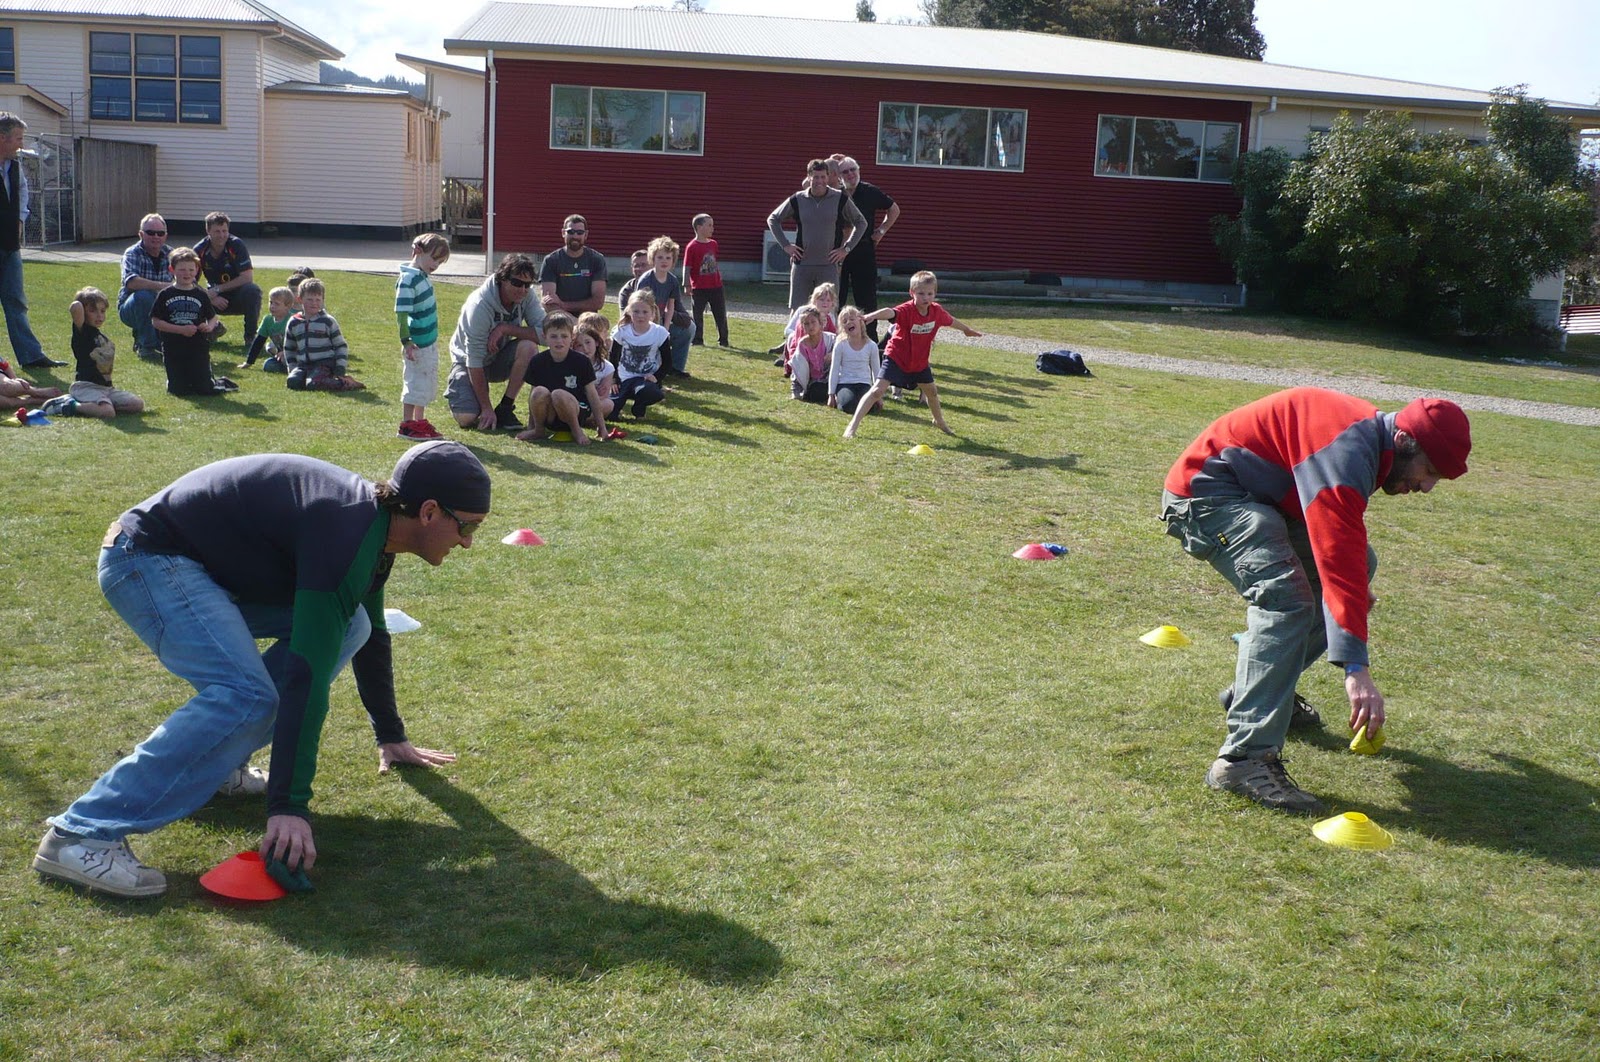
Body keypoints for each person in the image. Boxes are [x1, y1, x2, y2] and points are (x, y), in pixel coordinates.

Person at [32, 441, 488, 898]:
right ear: (429, 512)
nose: (467, 542)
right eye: (466, 526)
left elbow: (372, 641)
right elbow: (304, 676)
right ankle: (81, 833)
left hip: (196, 569)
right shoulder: (346, 536)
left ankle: (216, 766)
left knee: (355, 626)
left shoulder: (374, 533)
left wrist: (390, 734)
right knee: (246, 693)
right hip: (146, 560)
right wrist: (288, 807)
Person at [1160, 387, 1473, 815]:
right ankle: (1244, 760)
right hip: (1206, 499)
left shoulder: (1366, 444)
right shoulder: (1346, 450)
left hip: (1261, 503)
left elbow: (1344, 554)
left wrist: (1349, 592)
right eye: (1430, 470)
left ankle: (1254, 695)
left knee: (1358, 569)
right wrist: (1356, 671)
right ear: (1404, 441)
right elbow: (1335, 549)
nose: (1427, 486)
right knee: (1286, 599)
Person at [844, 271, 979, 439]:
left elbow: (951, 320)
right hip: (896, 358)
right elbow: (890, 312)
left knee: (932, 392)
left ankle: (939, 421)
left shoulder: (937, 311)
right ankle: (852, 426)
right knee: (877, 391)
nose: (926, 297)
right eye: (921, 293)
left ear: (935, 294)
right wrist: (871, 316)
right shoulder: (907, 310)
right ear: (912, 293)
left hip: (919, 363)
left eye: (930, 294)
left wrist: (967, 330)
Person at [445, 253, 544, 431]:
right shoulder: (480, 305)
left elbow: (546, 335)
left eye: (527, 284)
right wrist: (486, 408)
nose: (522, 289)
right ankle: (463, 389)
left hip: (498, 357)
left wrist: (505, 328)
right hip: (467, 363)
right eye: (516, 283)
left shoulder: (526, 297)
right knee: (467, 419)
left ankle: (505, 408)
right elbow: (474, 361)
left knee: (529, 347)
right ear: (502, 279)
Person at [766, 158, 867, 312]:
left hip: (828, 265)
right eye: (815, 177)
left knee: (828, 310)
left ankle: (828, 338)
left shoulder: (840, 198)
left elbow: (861, 222)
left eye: (822, 177)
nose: (819, 181)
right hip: (802, 264)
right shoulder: (798, 199)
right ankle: (794, 337)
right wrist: (786, 245)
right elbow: (773, 219)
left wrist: (846, 249)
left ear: (828, 177)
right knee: (798, 310)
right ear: (809, 177)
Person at [0, 112, 60, 369]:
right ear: (2, 138)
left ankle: (31, 356)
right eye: (18, 138)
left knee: (16, 299)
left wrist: (21, 218)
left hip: (9, 244)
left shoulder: (14, 166)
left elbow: (22, 191)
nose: (22, 145)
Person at [514, 312, 610, 445]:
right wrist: (531, 426)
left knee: (558, 394)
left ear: (572, 337)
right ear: (545, 337)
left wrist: (602, 427)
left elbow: (592, 395)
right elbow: (534, 395)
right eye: (553, 336)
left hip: (575, 410)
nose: (559, 341)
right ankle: (538, 430)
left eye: (564, 336)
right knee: (539, 391)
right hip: (550, 415)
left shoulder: (581, 361)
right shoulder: (538, 361)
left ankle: (577, 431)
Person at [834, 156, 899, 343]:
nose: (850, 174)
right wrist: (832, 159)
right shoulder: (835, 192)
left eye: (852, 169)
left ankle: (871, 342)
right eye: (844, 171)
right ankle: (837, 340)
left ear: (859, 170)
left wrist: (881, 231)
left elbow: (894, 209)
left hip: (863, 251)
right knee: (837, 298)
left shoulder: (869, 191)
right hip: (839, 252)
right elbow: (807, 181)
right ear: (838, 176)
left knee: (867, 299)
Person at [151, 247, 231, 397]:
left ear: (196, 270)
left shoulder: (201, 294)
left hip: (197, 346)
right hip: (173, 347)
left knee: (204, 390)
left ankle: (217, 381)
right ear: (171, 270)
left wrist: (209, 326)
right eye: (181, 270)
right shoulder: (165, 294)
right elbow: (156, 321)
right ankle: (174, 380)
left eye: (190, 269)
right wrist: (180, 330)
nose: (186, 273)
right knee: (179, 391)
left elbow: (213, 317)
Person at [395, 232, 452, 440]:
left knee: (426, 383)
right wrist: (407, 342)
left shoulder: (422, 276)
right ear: (418, 252)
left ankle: (419, 421)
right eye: (433, 259)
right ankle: (407, 425)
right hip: (416, 345)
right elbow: (401, 315)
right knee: (414, 383)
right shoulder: (408, 280)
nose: (436, 265)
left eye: (440, 262)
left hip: (428, 342)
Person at [68, 287, 144, 419]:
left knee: (137, 404)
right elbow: (76, 306)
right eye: (92, 311)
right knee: (108, 413)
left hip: (106, 389)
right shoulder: (82, 332)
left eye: (102, 311)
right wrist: (85, 298)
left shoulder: (100, 335)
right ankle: (69, 405)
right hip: (86, 387)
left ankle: (100, 405)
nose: (99, 315)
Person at [194, 211, 262, 350]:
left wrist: (218, 289)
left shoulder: (236, 245)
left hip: (238, 296)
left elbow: (247, 277)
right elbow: (189, 282)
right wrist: (210, 298)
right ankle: (213, 329)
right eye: (217, 231)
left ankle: (250, 337)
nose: (221, 235)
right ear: (208, 231)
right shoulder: (199, 250)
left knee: (253, 290)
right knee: (192, 297)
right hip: (213, 297)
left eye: (224, 231)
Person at [284, 278, 363, 392]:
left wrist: (340, 367)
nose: (314, 303)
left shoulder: (327, 321)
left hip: (324, 364)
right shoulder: (294, 322)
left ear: (323, 300)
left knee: (313, 384)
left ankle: (345, 382)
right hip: (303, 364)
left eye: (318, 299)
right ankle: (307, 377)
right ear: (300, 299)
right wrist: (291, 368)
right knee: (293, 382)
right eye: (310, 299)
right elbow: (289, 347)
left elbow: (340, 345)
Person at [119, 213, 173, 362]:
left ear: (165, 236)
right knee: (144, 296)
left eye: (160, 233)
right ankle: (147, 348)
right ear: (141, 234)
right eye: (150, 232)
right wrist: (165, 286)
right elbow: (131, 282)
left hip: (162, 307)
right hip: (132, 308)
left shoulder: (172, 254)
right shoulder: (132, 253)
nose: (156, 236)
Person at [636, 235, 693, 377]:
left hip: (661, 320)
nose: (664, 261)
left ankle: (675, 368)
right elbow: (639, 307)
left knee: (690, 328)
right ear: (652, 259)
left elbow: (671, 305)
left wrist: (666, 329)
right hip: (645, 320)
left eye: (668, 258)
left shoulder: (672, 281)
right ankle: (650, 369)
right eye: (660, 257)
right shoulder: (646, 280)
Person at [613, 290, 668, 419]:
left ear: (652, 313)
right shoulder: (621, 331)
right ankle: (618, 405)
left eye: (645, 312)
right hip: (623, 378)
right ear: (629, 312)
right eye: (636, 312)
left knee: (654, 393)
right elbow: (613, 358)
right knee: (610, 414)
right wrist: (614, 379)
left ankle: (639, 407)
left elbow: (668, 361)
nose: (640, 316)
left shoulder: (660, 332)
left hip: (644, 379)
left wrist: (656, 377)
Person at [539, 214, 606, 316]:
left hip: (587, 320)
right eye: (570, 232)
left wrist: (564, 305)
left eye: (580, 232)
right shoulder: (551, 261)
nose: (575, 236)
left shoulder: (597, 260)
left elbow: (598, 302)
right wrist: (573, 322)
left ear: (586, 235)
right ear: (563, 233)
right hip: (559, 321)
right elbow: (549, 303)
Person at [684, 213, 730, 348]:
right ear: (699, 227)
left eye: (712, 225)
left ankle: (723, 339)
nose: (712, 228)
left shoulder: (714, 244)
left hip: (716, 286)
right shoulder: (692, 246)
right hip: (699, 287)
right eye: (709, 225)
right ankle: (698, 339)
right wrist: (687, 284)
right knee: (697, 314)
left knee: (720, 313)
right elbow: (687, 267)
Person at [828, 305, 879, 416]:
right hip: (845, 383)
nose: (849, 322)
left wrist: (878, 395)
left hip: (864, 383)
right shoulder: (840, 345)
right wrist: (831, 394)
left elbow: (876, 372)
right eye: (844, 321)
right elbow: (835, 369)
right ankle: (840, 398)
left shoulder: (871, 345)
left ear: (860, 321)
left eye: (852, 319)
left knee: (869, 406)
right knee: (848, 405)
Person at [788, 304, 834, 403]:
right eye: (806, 324)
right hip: (813, 382)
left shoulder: (831, 339)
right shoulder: (803, 344)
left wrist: (832, 354)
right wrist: (795, 393)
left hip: (830, 380)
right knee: (816, 393)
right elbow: (797, 368)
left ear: (821, 323)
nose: (810, 326)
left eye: (813, 322)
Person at [241, 286, 294, 371]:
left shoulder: (292, 320)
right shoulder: (268, 320)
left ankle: (296, 370)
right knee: (268, 365)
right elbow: (259, 341)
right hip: (281, 355)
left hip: (295, 354)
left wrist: (286, 353)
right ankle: (288, 369)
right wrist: (249, 362)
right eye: (271, 302)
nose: (272, 306)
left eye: (277, 304)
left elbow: (299, 343)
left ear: (287, 306)